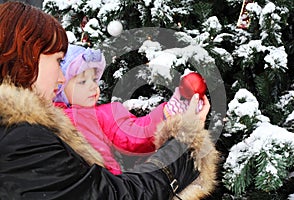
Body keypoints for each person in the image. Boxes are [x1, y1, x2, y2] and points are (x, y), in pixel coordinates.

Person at [0, 2, 216, 199]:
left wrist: (170, 116)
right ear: (26, 56)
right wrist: (185, 143)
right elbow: (118, 195)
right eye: (58, 60)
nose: (61, 78)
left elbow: (134, 134)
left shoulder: (22, 135)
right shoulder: (22, 139)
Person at [54, 44, 204, 175]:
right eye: (82, 82)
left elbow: (135, 134)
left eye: (94, 79)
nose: (93, 86)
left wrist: (167, 114)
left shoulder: (103, 115)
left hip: (109, 185)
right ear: (60, 87)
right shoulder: (47, 120)